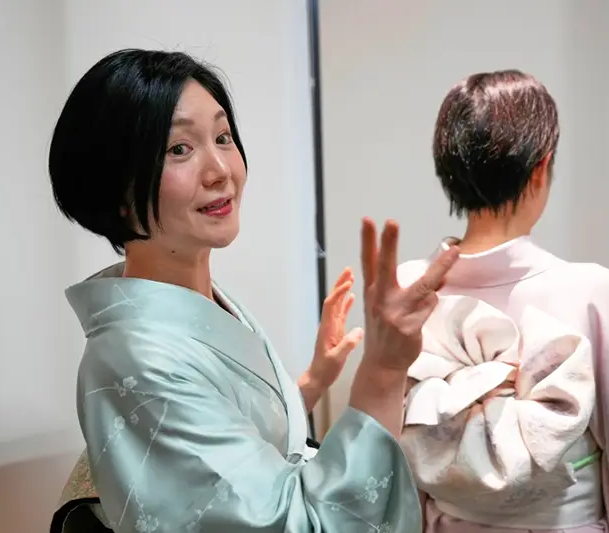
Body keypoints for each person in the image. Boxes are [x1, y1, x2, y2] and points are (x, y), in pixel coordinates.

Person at [47, 48, 459, 533]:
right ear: (116, 185)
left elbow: (232, 437)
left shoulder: (203, 302)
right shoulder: (134, 358)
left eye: (223, 137)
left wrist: (311, 381)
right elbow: (286, 523)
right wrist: (384, 372)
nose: (221, 168)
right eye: (180, 148)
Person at [397, 70, 609, 533]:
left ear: (448, 171)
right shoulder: (595, 293)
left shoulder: (409, 287)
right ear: (541, 167)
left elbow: (396, 457)